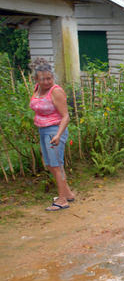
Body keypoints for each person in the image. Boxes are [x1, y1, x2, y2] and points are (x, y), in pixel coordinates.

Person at [29, 58, 75, 211]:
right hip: (43, 130)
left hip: (55, 131)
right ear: (36, 79)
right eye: (43, 79)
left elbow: (66, 116)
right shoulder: (37, 88)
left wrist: (58, 135)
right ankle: (67, 194)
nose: (47, 81)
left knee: (56, 165)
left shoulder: (55, 91)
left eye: (49, 78)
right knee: (50, 164)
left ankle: (62, 200)